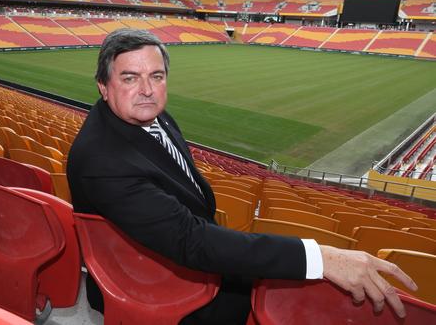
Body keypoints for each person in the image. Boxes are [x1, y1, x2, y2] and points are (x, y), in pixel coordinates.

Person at [66, 28, 417, 324]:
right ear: (103, 86)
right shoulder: (102, 158)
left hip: (173, 251)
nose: (147, 89)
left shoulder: (150, 116)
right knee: (295, 298)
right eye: (130, 78)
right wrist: (320, 257)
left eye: (156, 76)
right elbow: (192, 241)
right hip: (153, 280)